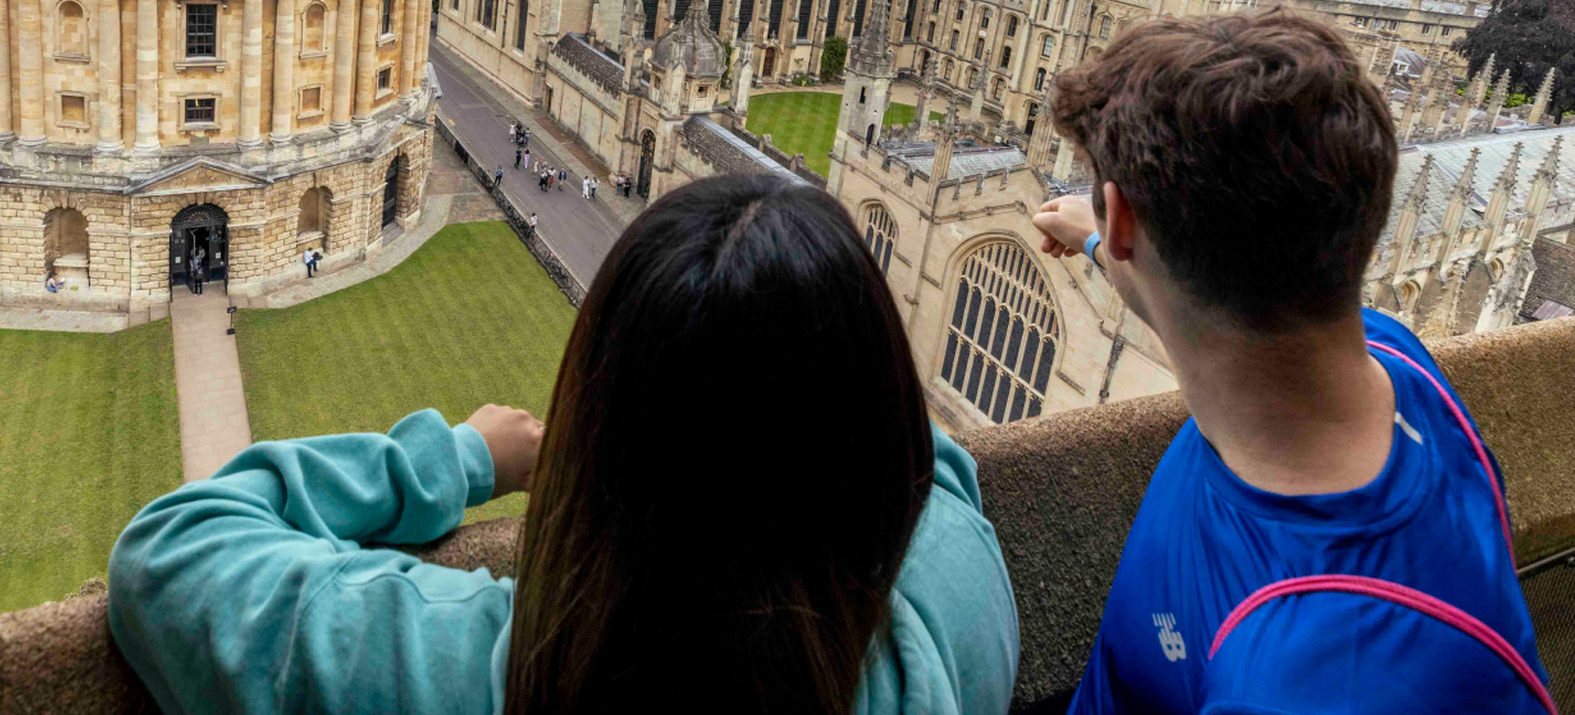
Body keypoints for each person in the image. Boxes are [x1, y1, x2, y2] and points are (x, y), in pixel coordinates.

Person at [109, 174, 1019, 715]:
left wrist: (460, 457)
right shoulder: (963, 603)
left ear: (596, 424)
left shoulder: (461, 676)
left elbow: (171, 552)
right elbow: (926, 465)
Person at [1033, 12, 1550, 715]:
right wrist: (1102, 241)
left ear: (1123, 219)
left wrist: (1114, 236)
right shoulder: (1393, 356)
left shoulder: (1296, 686)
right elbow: (1222, 307)